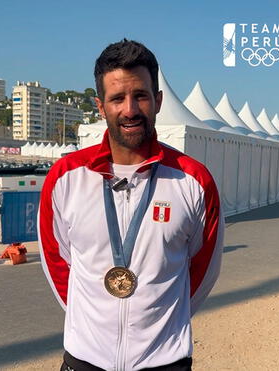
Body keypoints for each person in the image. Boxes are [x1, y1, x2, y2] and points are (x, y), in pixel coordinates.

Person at [38, 39, 224, 370]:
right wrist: (96, 324)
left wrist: (158, 325)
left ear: (158, 100)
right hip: (86, 361)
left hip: (164, 362)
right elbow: (58, 264)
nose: (130, 109)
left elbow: (202, 271)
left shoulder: (194, 181)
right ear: (100, 106)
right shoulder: (65, 177)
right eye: (117, 98)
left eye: (140, 95)